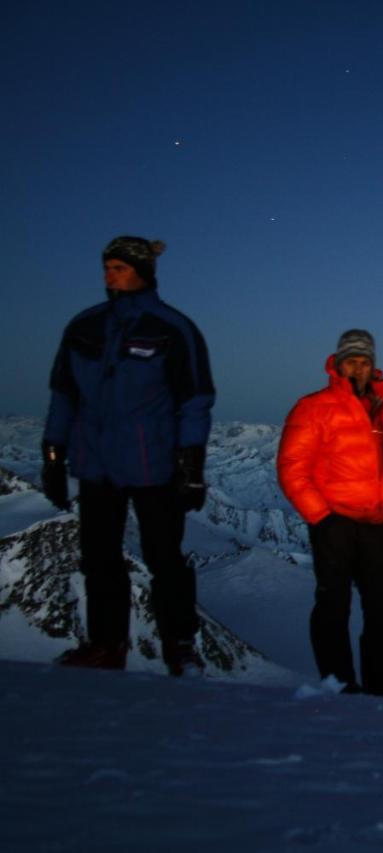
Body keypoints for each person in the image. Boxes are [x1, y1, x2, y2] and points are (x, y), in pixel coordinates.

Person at [41, 236, 215, 675]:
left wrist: (191, 462)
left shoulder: (172, 329)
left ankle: (179, 645)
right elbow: (63, 394)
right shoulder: (84, 327)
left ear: (142, 271)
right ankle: (106, 644)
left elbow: (194, 399)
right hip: (95, 461)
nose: (109, 274)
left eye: (118, 267)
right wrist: (53, 453)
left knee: (164, 557)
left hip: (153, 462)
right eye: (107, 266)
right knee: (99, 556)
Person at [277, 329, 383, 696]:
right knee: (334, 606)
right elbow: (292, 467)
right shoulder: (313, 407)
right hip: (333, 523)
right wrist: (322, 516)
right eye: (351, 361)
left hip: (375, 523)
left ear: (373, 366)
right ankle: (339, 684)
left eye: (364, 362)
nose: (358, 368)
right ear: (337, 364)